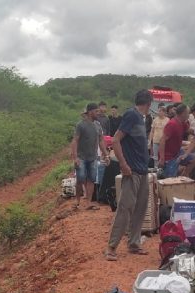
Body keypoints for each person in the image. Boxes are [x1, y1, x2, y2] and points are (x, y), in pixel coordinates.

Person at [105, 90, 153, 261]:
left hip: (142, 171)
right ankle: (111, 247)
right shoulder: (132, 115)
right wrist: (124, 164)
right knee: (125, 208)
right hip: (132, 171)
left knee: (140, 208)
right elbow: (116, 140)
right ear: (148, 104)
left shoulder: (141, 118)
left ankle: (134, 243)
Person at [71, 103, 108, 210]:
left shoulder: (97, 125)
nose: (98, 113)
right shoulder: (80, 125)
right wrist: (75, 157)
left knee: (91, 179)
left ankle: (88, 202)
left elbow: (101, 141)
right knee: (80, 178)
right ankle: (77, 201)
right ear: (90, 112)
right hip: (81, 157)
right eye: (96, 111)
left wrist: (106, 155)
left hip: (93, 157)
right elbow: (75, 140)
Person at [159, 103, 191, 178]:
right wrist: (162, 158)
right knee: (170, 180)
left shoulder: (183, 123)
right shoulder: (172, 124)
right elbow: (162, 141)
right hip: (169, 156)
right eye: (188, 113)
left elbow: (191, 131)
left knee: (193, 160)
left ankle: (183, 177)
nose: (189, 115)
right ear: (183, 113)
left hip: (177, 152)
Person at [150, 104, 168, 168]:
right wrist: (150, 141)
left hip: (163, 142)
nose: (159, 112)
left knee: (163, 155)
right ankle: (156, 168)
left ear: (164, 112)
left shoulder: (167, 120)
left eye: (160, 111)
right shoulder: (155, 120)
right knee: (155, 156)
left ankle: (163, 168)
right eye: (158, 111)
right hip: (155, 140)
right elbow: (152, 131)